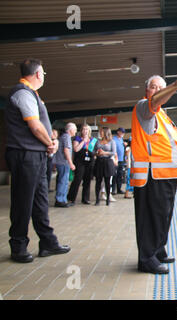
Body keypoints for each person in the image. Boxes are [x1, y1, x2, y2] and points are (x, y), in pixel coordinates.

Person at [5, 58, 70, 263]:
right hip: (25, 154)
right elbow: (34, 125)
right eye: (43, 73)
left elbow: (40, 125)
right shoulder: (22, 93)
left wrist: (49, 142)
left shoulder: (32, 94)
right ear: (38, 74)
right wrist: (50, 142)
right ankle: (18, 246)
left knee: (40, 200)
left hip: (36, 155)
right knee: (23, 201)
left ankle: (48, 242)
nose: (44, 76)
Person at [130, 74, 177, 274]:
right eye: (153, 87)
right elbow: (155, 101)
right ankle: (146, 258)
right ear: (146, 91)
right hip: (151, 174)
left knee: (164, 214)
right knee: (152, 216)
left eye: (160, 87)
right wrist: (174, 86)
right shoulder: (143, 106)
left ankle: (158, 249)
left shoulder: (162, 115)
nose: (156, 90)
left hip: (164, 174)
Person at [67, 124, 97, 205]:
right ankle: (71, 198)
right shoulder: (77, 138)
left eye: (87, 129)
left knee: (87, 181)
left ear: (89, 131)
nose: (85, 131)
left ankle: (85, 199)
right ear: (81, 131)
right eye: (83, 129)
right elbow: (76, 149)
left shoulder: (93, 140)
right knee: (77, 179)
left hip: (89, 161)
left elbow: (95, 151)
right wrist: (83, 141)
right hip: (80, 161)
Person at [54, 122, 77, 208]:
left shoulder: (64, 137)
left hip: (62, 162)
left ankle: (63, 199)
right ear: (70, 130)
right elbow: (66, 150)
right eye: (75, 130)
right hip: (63, 163)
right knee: (63, 181)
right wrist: (71, 163)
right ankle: (60, 200)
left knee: (64, 181)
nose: (75, 131)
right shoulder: (66, 137)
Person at [94, 127, 117, 206]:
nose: (100, 133)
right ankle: (97, 199)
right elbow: (94, 151)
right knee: (98, 181)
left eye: (101, 132)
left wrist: (104, 153)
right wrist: (97, 153)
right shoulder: (97, 141)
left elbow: (113, 152)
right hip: (99, 162)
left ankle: (108, 199)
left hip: (107, 162)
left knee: (107, 182)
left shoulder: (111, 142)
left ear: (105, 132)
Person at [112, 127, 126, 195]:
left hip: (121, 160)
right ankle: (113, 189)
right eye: (121, 132)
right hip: (115, 160)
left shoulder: (121, 139)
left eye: (123, 132)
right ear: (118, 132)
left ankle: (119, 189)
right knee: (114, 175)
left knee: (120, 175)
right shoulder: (114, 139)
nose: (123, 133)